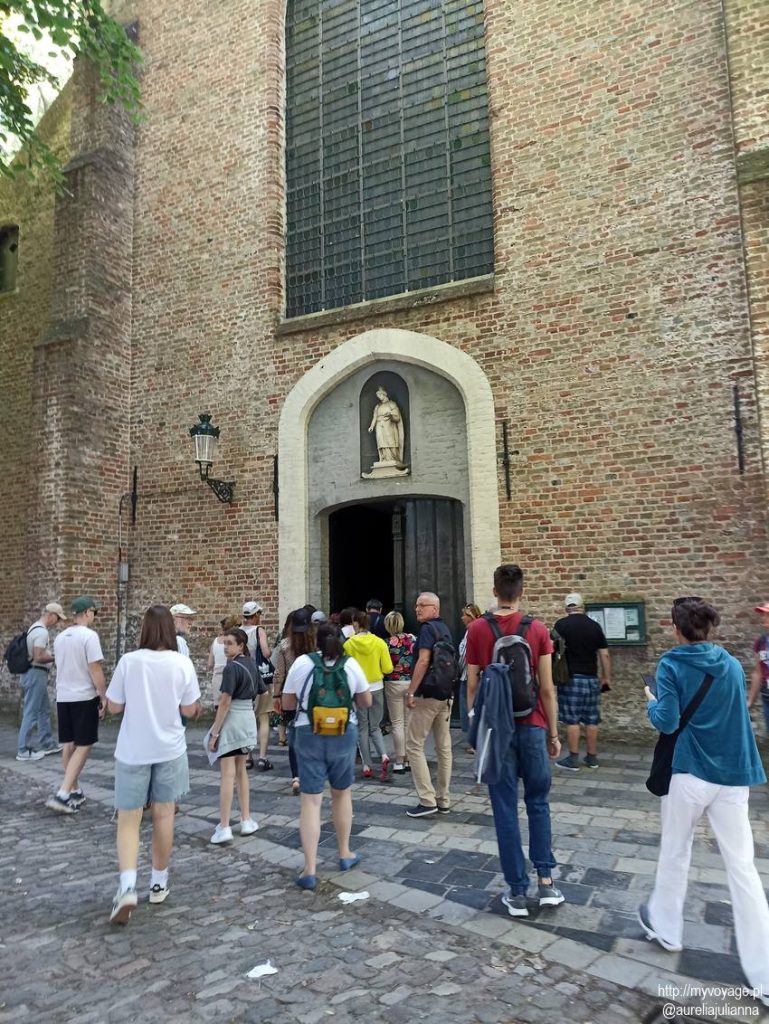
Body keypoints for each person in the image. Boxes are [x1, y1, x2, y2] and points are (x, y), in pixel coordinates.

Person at [640, 597, 769, 1005]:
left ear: (675, 628)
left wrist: (651, 702)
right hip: (731, 778)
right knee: (743, 868)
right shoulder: (730, 664)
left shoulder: (671, 665)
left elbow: (667, 722)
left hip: (690, 773)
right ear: (709, 628)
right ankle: (765, 975)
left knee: (676, 852)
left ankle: (668, 931)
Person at [466, 564, 564, 917]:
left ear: (494, 591)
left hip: (497, 731)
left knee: (504, 808)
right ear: (521, 592)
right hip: (533, 724)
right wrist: (553, 733)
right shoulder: (537, 629)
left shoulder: (477, 629)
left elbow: (472, 685)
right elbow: (547, 688)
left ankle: (517, 891)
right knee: (538, 802)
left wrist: (476, 731)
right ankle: (547, 882)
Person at [104, 605, 201, 924]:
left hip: (134, 748)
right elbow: (189, 709)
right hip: (170, 748)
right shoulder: (182, 662)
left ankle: (127, 886)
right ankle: (159, 882)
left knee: (129, 819)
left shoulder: (129, 661)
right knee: (164, 816)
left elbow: (114, 707)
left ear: (144, 630)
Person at [281, 622, 372, 889]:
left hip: (308, 732)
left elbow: (287, 702)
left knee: (310, 802)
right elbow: (366, 701)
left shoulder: (302, 663)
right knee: (341, 794)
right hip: (343, 733)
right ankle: (344, 853)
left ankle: (309, 869)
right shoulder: (351, 664)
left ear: (316, 642)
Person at [45, 596, 106, 814]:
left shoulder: (60, 638)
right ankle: (63, 794)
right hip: (84, 696)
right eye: (94, 612)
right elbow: (95, 669)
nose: (94, 616)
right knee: (84, 745)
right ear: (87, 612)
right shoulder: (89, 636)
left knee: (68, 744)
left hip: (64, 696)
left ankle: (75, 790)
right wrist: (103, 696)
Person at [404, 592, 454, 817]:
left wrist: (411, 691)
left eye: (422, 605)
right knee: (443, 747)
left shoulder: (426, 629)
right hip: (445, 695)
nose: (417, 609)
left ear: (435, 608)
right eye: (417, 605)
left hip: (428, 694)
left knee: (414, 745)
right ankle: (443, 799)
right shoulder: (444, 629)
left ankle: (426, 800)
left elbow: (424, 660)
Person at [208, 628, 260, 845]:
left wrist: (215, 733)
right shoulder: (251, 664)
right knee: (241, 771)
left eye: (230, 643)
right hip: (247, 718)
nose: (225, 647)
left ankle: (224, 826)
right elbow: (263, 692)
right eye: (225, 643)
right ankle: (246, 819)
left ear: (241, 645)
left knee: (228, 774)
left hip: (232, 720)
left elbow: (225, 701)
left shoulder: (231, 668)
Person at [553, 593, 611, 771]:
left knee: (573, 720)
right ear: (582, 607)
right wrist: (606, 677)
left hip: (570, 678)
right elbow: (604, 654)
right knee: (592, 719)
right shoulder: (594, 626)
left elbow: (551, 649)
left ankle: (573, 759)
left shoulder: (561, 625)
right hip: (591, 678)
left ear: (566, 608)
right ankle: (592, 758)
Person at [343, 609, 393, 780]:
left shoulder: (348, 645)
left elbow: (346, 669)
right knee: (375, 726)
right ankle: (384, 755)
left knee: (362, 727)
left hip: (359, 689)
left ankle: (367, 765)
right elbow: (388, 668)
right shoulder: (379, 643)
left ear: (355, 624)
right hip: (376, 686)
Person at [16, 602, 66, 761]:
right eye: (58, 618)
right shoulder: (41, 632)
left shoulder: (35, 627)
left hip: (35, 674)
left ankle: (47, 743)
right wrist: (56, 657)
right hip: (35, 674)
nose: (58, 622)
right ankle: (23, 750)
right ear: (51, 615)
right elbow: (38, 656)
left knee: (43, 710)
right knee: (31, 711)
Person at [273, 608, 312, 796]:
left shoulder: (284, 646)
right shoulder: (315, 645)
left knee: (293, 736)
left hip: (290, 694)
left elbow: (279, 673)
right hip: (311, 695)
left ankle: (296, 776)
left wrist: (276, 696)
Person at [241, 600, 274, 771]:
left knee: (248, 717)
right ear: (256, 615)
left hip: (243, 678)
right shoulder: (259, 630)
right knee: (263, 717)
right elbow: (266, 652)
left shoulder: (238, 631)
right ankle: (262, 757)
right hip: (260, 677)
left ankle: (247, 757)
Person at [383, 611, 415, 774]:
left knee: (397, 722)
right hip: (410, 681)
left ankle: (399, 761)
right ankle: (409, 758)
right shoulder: (412, 639)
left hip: (393, 681)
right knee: (408, 722)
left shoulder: (386, 643)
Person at [457, 603, 482, 753]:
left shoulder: (471, 631)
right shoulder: (478, 629)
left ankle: (474, 742)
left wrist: (458, 670)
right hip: (475, 674)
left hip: (468, 675)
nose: (462, 618)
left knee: (469, 708)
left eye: (465, 615)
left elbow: (465, 656)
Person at [747, 600, 769, 738]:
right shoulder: (760, 642)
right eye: (764, 615)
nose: (764, 618)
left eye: (768, 615)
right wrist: (750, 701)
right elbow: (757, 673)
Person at [207, 615, 239, 707]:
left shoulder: (215, 641)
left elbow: (210, 664)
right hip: (231, 679)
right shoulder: (234, 642)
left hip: (217, 680)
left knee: (219, 708)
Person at [368, 386, 404, 463]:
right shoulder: (377, 406)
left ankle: (393, 458)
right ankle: (383, 458)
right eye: (378, 396)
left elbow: (397, 417)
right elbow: (375, 417)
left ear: (384, 394)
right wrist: (372, 426)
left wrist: (390, 415)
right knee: (381, 442)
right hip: (379, 425)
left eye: (380, 395)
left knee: (390, 441)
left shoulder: (392, 404)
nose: (379, 397)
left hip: (389, 425)